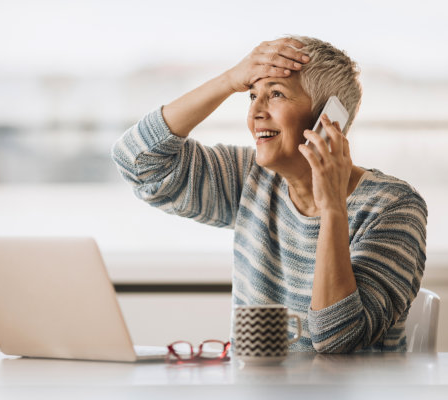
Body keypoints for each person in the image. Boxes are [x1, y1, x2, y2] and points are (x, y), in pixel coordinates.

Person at [111, 35, 427, 353]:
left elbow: (338, 339)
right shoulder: (252, 177)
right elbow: (137, 161)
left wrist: (332, 207)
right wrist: (228, 80)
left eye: (275, 94)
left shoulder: (393, 207)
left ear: (329, 118)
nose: (256, 113)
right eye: (251, 96)